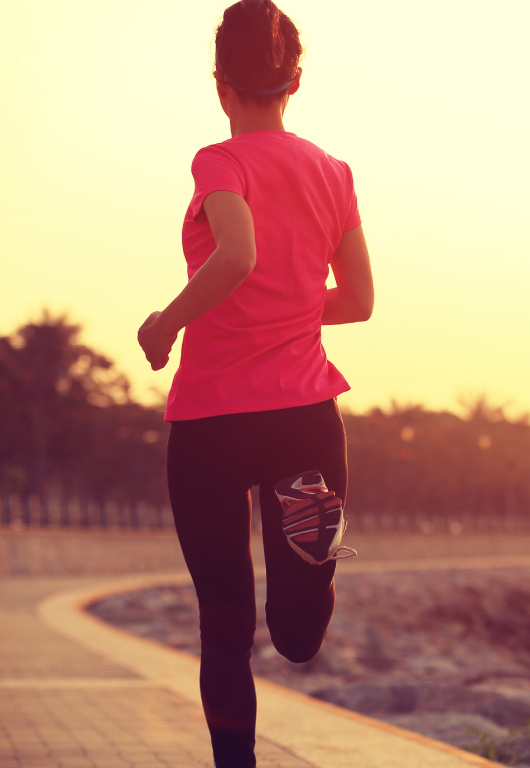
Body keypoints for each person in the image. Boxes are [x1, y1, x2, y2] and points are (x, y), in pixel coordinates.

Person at [136, 1, 373, 765]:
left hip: (208, 428)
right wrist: (292, 311)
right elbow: (361, 302)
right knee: (295, 634)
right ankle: (313, 584)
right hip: (306, 421)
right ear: (296, 80)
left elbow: (235, 255)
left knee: (225, 626)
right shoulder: (333, 173)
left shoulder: (220, 160)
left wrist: (168, 320)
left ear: (219, 84)